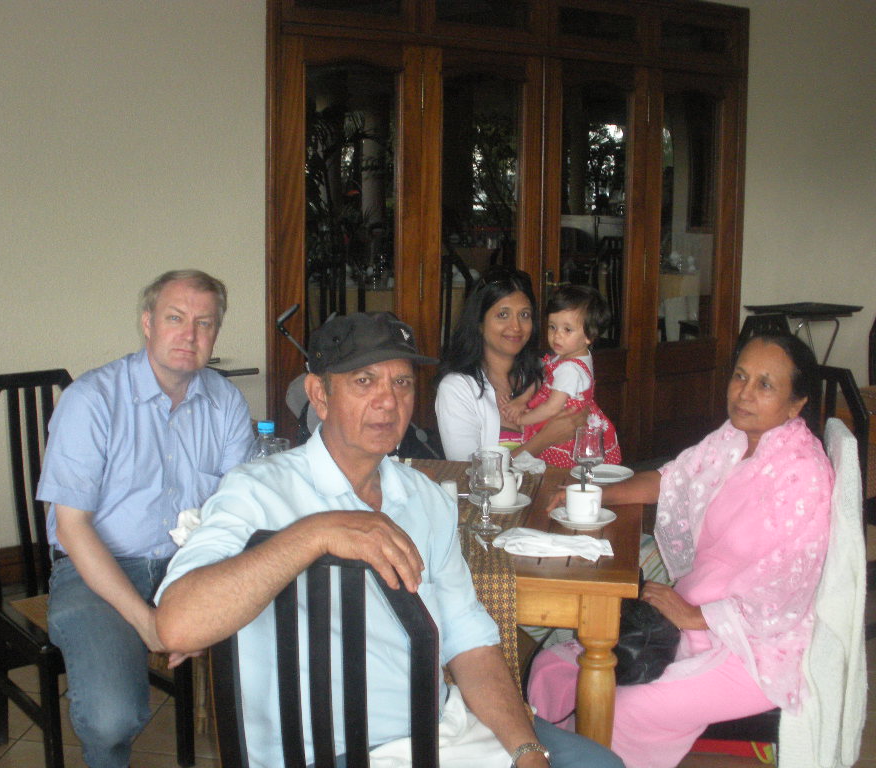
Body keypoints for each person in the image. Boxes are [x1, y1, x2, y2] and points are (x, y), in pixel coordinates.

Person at [154, 311, 624, 768]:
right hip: (325, 750)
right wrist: (316, 533)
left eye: (401, 383)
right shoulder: (258, 491)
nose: (388, 401)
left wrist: (526, 752)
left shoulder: (426, 499)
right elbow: (177, 627)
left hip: (438, 731)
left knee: (598, 763)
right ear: (319, 395)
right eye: (364, 381)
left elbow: (469, 643)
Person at [528, 334, 834, 768]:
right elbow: (670, 479)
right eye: (740, 376)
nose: (744, 393)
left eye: (765, 384)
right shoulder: (734, 438)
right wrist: (591, 492)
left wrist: (697, 616)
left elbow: (789, 588)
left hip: (756, 646)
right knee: (552, 669)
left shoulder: (803, 473)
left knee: (621, 708)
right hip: (696, 614)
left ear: (796, 404)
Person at [36, 269, 254, 768]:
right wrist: (149, 623)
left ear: (216, 333)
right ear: (148, 323)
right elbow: (71, 527)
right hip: (100, 569)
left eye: (204, 323)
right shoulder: (92, 399)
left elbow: (236, 510)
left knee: (291, 641)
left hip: (194, 563)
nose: (190, 335)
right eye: (176, 318)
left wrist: (199, 605)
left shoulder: (225, 401)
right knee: (110, 718)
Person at [435, 266, 587, 462]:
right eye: (503, 315)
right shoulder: (457, 388)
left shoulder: (548, 373)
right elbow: (466, 471)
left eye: (524, 315)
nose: (516, 327)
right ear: (479, 323)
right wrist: (545, 439)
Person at [501, 285, 621, 468]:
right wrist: (523, 400)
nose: (557, 336)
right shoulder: (572, 354)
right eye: (552, 327)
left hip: (565, 432)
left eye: (567, 330)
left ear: (589, 336)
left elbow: (552, 408)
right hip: (566, 420)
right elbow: (543, 378)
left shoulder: (569, 369)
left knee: (557, 471)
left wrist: (521, 420)